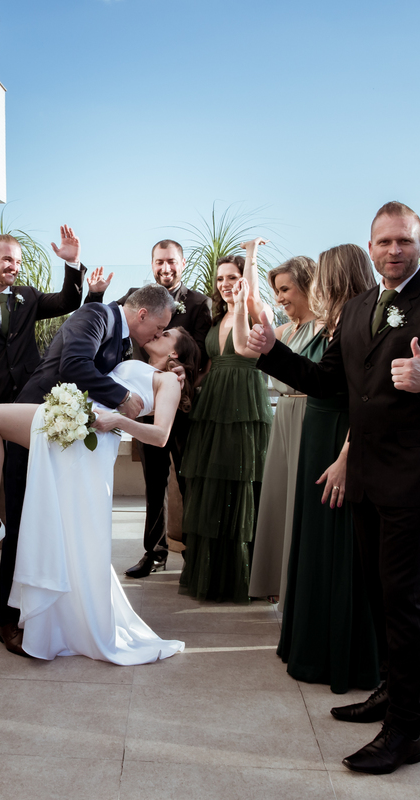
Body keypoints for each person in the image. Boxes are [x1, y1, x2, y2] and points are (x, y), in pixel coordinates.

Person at [246, 202, 420, 774]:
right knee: (379, 595)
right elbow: (328, 383)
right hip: (367, 477)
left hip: (412, 477)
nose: (393, 250)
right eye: (383, 242)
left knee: (402, 600)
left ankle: (407, 729)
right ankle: (388, 690)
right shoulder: (354, 310)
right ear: (370, 247)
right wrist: (272, 352)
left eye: (404, 240)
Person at [0, 326, 197, 663]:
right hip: (77, 426)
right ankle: (52, 619)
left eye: (167, 334)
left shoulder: (168, 380)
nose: (158, 332)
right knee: (62, 528)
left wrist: (116, 422)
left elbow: (160, 435)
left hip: (90, 435)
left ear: (175, 354)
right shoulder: (130, 360)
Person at [0, 283, 173, 656]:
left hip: (62, 440)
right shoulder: (95, 315)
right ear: (142, 314)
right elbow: (74, 366)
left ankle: (43, 615)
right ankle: (7, 619)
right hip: (33, 428)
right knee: (25, 520)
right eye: (158, 327)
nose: (157, 335)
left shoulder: (123, 343)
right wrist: (121, 398)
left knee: (50, 525)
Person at [241, 246, 381, 694]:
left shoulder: (359, 324)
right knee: (316, 543)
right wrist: (270, 352)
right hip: (319, 435)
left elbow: (362, 399)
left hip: (336, 440)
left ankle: (339, 657)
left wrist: (345, 455)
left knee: (337, 551)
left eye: (321, 278)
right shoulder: (345, 323)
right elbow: (325, 381)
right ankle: (314, 646)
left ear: (335, 279)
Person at [0, 228, 90, 588]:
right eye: (8, 259)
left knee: (26, 481)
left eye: (18, 261)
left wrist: (72, 264)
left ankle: (25, 559)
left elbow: (68, 301)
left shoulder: (27, 297)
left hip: (27, 405)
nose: (14, 267)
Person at [85, 239, 212, 579]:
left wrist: (185, 374)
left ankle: (196, 556)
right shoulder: (135, 296)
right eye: (159, 261)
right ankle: (153, 553)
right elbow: (104, 325)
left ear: (182, 264)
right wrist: (95, 295)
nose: (164, 268)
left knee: (189, 479)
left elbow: (201, 354)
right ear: (151, 263)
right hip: (140, 407)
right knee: (153, 484)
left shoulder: (199, 304)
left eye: (171, 261)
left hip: (182, 410)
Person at [179, 240, 271, 603]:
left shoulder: (254, 310)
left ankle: (246, 575)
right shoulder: (217, 319)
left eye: (232, 277)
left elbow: (249, 333)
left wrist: (251, 259)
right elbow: (211, 365)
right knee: (212, 486)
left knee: (241, 482)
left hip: (243, 404)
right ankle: (211, 574)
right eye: (219, 278)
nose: (225, 283)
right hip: (213, 405)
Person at [248, 255, 320, 606]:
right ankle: (277, 581)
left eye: (286, 289)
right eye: (276, 291)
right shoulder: (282, 331)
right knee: (280, 500)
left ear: (308, 285)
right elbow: (254, 311)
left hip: (312, 418)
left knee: (302, 502)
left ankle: (301, 588)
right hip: (285, 417)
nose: (279, 298)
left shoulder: (327, 328)